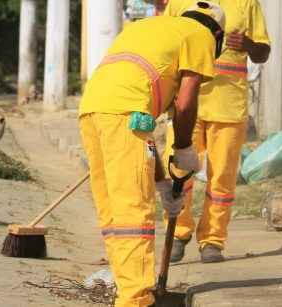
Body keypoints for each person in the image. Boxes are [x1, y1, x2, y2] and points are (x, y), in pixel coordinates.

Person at [78, 2, 225, 306]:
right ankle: (135, 300)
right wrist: (184, 147)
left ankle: (125, 286)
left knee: (113, 210)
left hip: (92, 109)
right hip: (125, 113)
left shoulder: (150, 27)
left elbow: (142, 139)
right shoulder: (200, 35)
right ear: (218, 34)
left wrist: (161, 183)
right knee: (133, 212)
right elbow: (185, 103)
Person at [161, 0, 271, 263]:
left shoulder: (246, 4)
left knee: (222, 177)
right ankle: (177, 232)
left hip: (229, 105)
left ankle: (212, 240)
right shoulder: (178, 3)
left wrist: (248, 46)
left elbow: (263, 52)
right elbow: (164, 45)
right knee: (176, 170)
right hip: (186, 103)